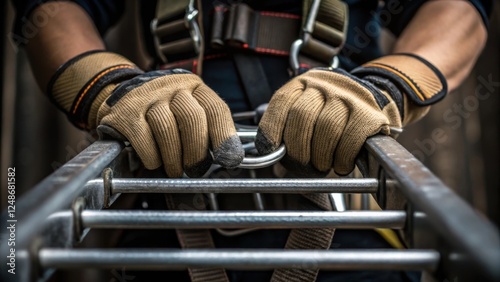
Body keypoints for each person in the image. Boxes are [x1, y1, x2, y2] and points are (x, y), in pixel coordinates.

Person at [11, 0, 492, 281]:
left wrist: (385, 87)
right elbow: (52, 9)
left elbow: (459, 11)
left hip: (351, 225)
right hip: (166, 221)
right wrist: (109, 89)